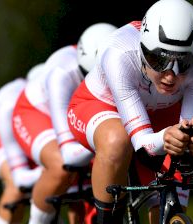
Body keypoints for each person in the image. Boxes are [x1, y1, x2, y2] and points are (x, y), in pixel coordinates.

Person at [67, 0, 193, 223]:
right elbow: (143, 144)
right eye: (159, 60)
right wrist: (166, 137)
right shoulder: (119, 53)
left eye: (183, 63)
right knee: (118, 141)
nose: (170, 75)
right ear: (143, 48)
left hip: (160, 115)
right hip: (100, 106)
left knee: (172, 192)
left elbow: (190, 131)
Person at [11, 23, 117, 223]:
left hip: (76, 111)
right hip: (36, 113)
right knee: (61, 168)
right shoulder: (61, 75)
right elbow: (69, 154)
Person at [0, 63, 45, 224]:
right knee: (16, 184)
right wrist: (19, 168)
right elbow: (6, 113)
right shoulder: (14, 96)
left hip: (14, 132)